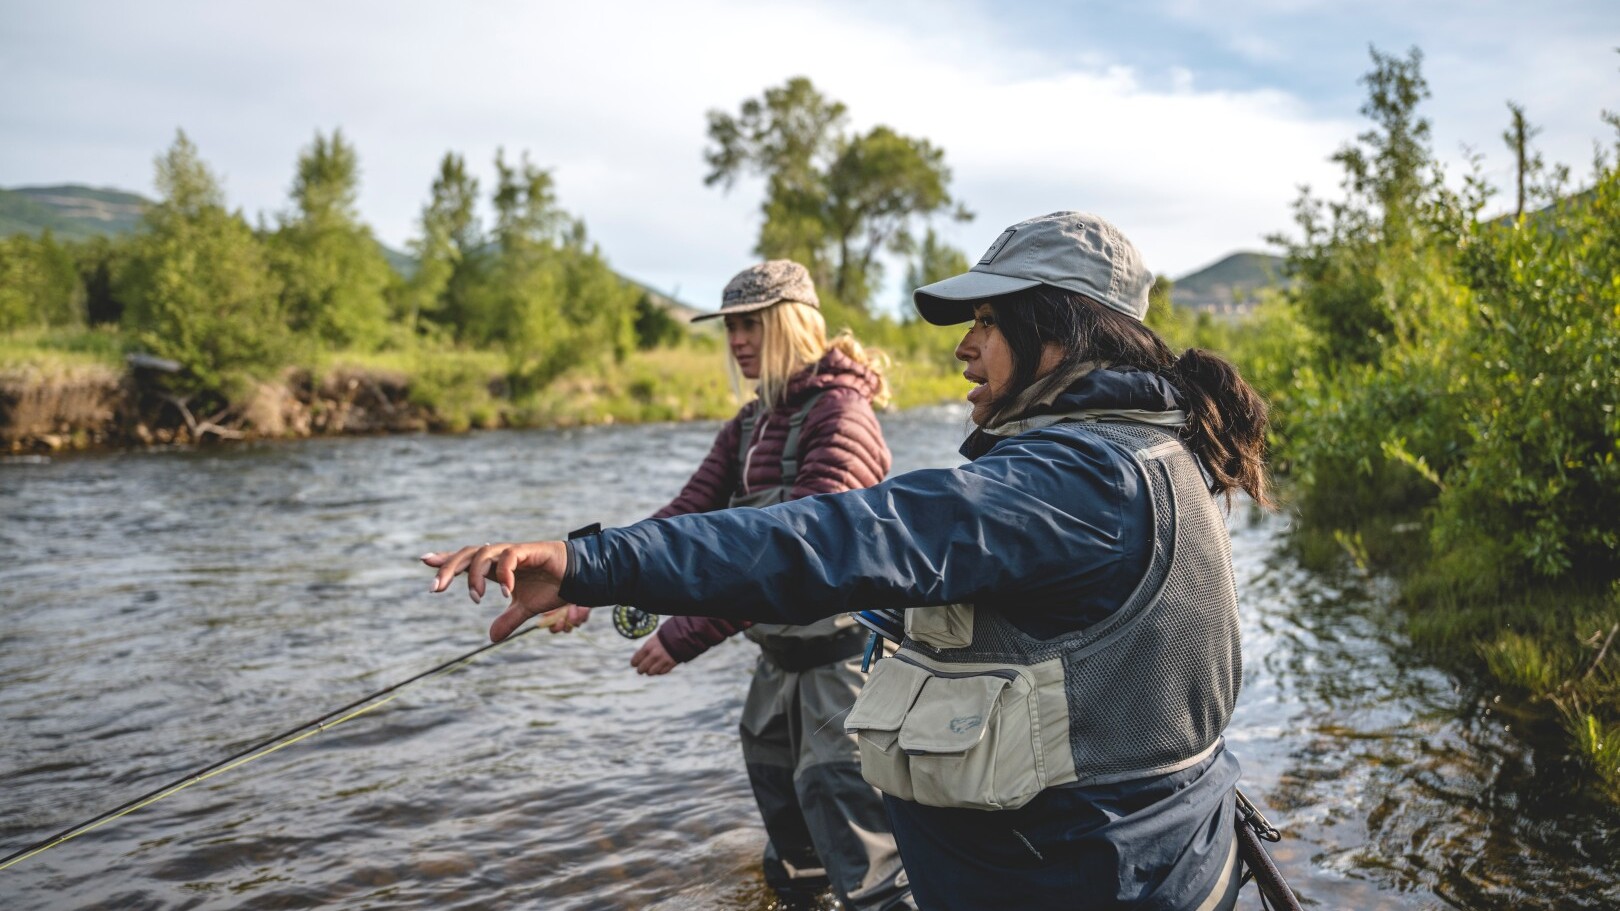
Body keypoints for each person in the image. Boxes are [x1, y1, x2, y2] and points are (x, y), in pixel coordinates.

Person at [425, 212, 1272, 911]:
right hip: (1139, 864)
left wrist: (591, 565)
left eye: (985, 321)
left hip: (1095, 881)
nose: (964, 348)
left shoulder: (1079, 478)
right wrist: (597, 573)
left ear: (1056, 329)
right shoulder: (1149, 451)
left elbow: (829, 537)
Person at [557, 260, 915, 911]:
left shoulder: (844, 418)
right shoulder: (748, 424)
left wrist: (686, 633)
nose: (738, 340)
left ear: (790, 323)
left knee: (869, 871)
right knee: (793, 862)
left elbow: (800, 556)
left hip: (843, 674)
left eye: (751, 323)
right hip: (775, 668)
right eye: (730, 328)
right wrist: (585, 575)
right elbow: (683, 518)